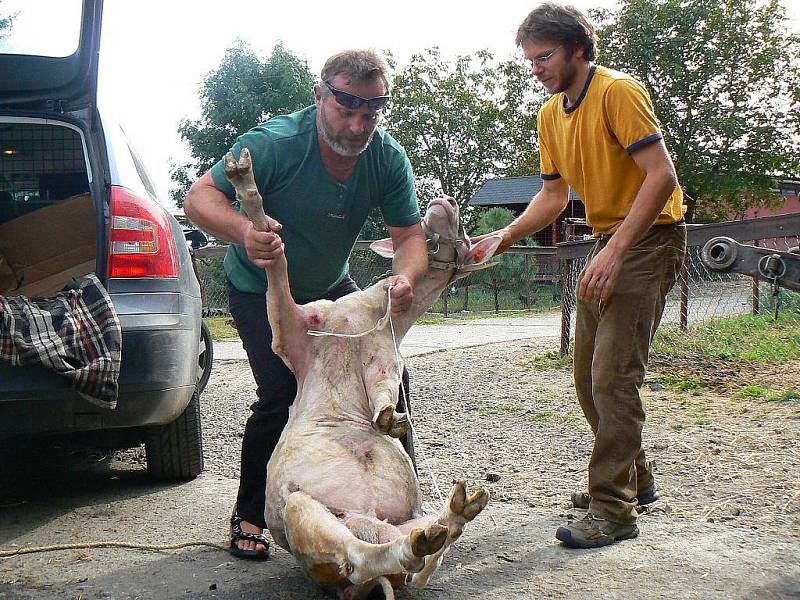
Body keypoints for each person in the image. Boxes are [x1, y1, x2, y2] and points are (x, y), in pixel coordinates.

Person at [184, 49, 428, 559]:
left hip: (332, 283)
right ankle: (250, 512)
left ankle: (403, 508)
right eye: (347, 110)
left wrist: (405, 276)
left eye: (372, 112)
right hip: (260, 285)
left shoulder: (386, 157)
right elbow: (199, 198)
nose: (360, 125)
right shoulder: (275, 144)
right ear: (320, 97)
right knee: (281, 391)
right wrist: (242, 231)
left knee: (385, 383)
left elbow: (409, 236)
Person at [478, 2, 687, 548]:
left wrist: (616, 251)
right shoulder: (551, 114)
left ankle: (613, 508)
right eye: (528, 59)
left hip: (647, 238)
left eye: (544, 56)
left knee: (613, 378)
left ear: (577, 49)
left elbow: (661, 176)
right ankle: (632, 479)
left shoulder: (618, 92)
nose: (536, 68)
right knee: (586, 380)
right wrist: (505, 236)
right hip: (607, 241)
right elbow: (553, 196)